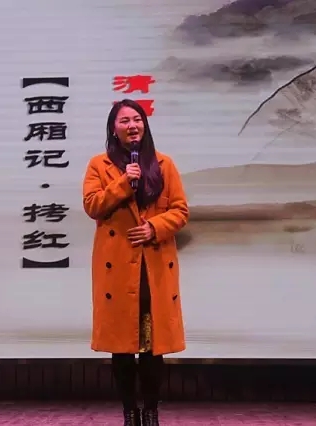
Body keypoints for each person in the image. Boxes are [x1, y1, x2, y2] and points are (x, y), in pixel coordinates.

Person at [82, 99, 189, 426]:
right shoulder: (99, 165)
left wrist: (155, 227)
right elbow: (92, 206)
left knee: (153, 346)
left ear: (145, 125)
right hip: (117, 266)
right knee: (122, 345)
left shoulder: (164, 164)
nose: (132, 126)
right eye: (125, 120)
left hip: (152, 266)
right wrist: (122, 183)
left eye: (137, 119)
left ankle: (151, 411)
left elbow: (180, 210)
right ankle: (129, 411)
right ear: (113, 129)